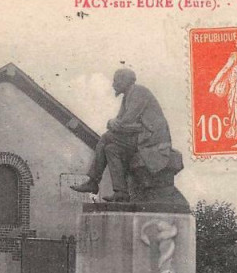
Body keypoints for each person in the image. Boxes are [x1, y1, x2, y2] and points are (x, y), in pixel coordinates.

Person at [71, 68, 174, 202]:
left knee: (106, 137)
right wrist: (114, 123)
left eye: (116, 80)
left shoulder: (138, 92)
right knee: (111, 149)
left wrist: (113, 123)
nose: (113, 84)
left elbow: (125, 121)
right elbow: (120, 123)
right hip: (142, 137)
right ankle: (121, 192)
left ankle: (93, 181)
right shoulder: (128, 96)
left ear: (126, 80)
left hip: (152, 141)